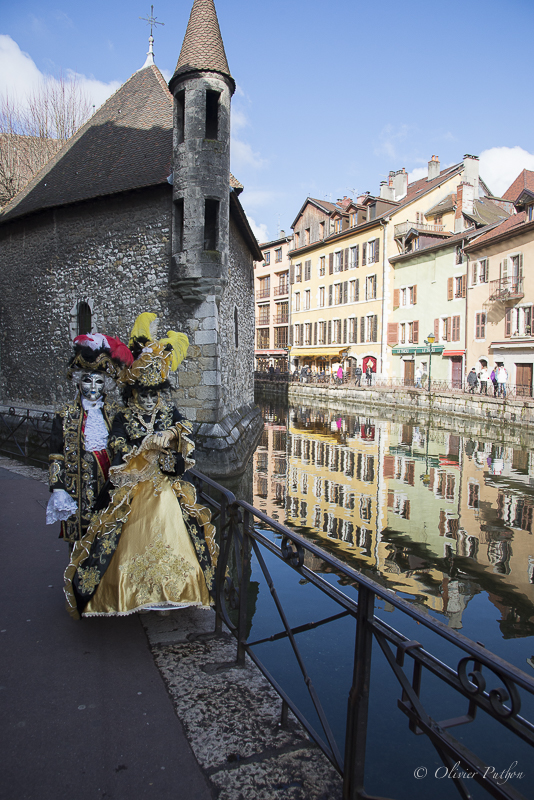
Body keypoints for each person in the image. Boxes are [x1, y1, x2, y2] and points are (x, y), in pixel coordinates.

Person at [64, 313, 217, 619]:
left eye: (154, 395)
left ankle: (171, 594)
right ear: (134, 393)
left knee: (173, 519)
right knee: (117, 532)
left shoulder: (168, 412)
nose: (149, 402)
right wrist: (139, 449)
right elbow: (117, 442)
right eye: (144, 395)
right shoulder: (124, 415)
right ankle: (132, 595)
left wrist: (172, 437)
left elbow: (185, 431)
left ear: (161, 394)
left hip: (164, 483)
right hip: (132, 483)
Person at [46, 333, 132, 546]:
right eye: (87, 380)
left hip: (107, 486)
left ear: (106, 384)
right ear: (78, 381)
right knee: (79, 542)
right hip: (77, 490)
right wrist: (57, 488)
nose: (93, 386)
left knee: (107, 541)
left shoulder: (116, 414)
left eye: (98, 381)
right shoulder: (64, 415)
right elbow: (56, 454)